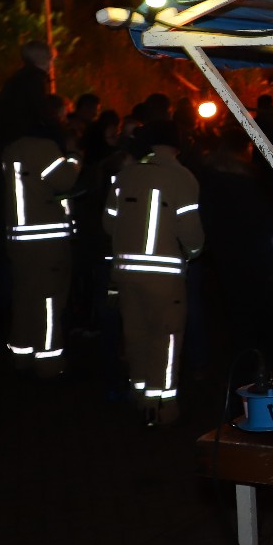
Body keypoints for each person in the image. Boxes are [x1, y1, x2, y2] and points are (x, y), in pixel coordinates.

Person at [103, 120, 205, 425]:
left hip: (125, 273)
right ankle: (162, 406)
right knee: (166, 338)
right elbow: (190, 231)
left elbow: (108, 223)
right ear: (176, 146)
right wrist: (193, 252)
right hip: (165, 275)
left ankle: (140, 396)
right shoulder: (182, 177)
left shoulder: (125, 175)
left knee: (135, 335)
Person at [0, 95, 81, 378]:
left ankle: (21, 354)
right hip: (46, 239)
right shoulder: (44, 149)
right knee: (48, 299)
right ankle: (48, 361)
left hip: (18, 238)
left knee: (24, 296)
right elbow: (65, 180)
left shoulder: (12, 149)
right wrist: (74, 156)